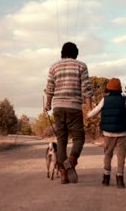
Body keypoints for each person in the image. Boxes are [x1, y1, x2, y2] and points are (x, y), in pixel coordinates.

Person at [44, 42, 93, 184]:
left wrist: (48, 104)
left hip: (58, 107)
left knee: (61, 140)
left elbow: (49, 88)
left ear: (62, 53)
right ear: (76, 53)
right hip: (74, 107)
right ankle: (72, 160)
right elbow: (87, 89)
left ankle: (64, 174)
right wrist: (89, 109)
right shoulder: (81, 66)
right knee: (79, 138)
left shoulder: (54, 67)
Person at [86, 78, 126, 188]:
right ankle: (120, 179)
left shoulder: (105, 100)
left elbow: (96, 110)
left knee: (108, 155)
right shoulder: (125, 100)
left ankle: (106, 178)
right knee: (121, 156)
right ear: (119, 89)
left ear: (108, 88)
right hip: (122, 133)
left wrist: (88, 115)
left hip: (108, 133)